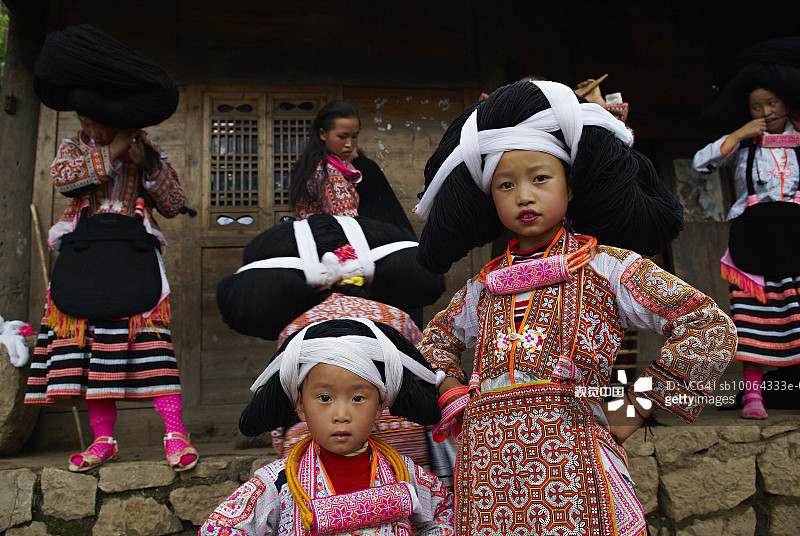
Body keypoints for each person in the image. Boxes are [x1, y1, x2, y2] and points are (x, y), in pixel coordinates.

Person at [413, 80, 737, 535]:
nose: (524, 195)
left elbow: (708, 326)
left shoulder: (610, 268)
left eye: (540, 177)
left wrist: (634, 409)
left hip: (577, 467)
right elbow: (433, 344)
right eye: (506, 184)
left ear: (570, 184)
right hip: (485, 481)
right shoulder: (480, 290)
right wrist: (452, 393)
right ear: (492, 198)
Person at [25, 24, 198, 472]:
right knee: (91, 348)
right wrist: (117, 145)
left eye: (97, 124)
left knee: (152, 346)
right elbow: (65, 181)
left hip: (134, 256)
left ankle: (175, 434)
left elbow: (175, 204)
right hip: (84, 256)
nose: (90, 130)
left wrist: (149, 162)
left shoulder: (149, 153)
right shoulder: (71, 150)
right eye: (85, 123)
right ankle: (104, 440)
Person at [216, 214, 453, 485]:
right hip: (406, 449)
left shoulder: (296, 328)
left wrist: (282, 439)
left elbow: (281, 395)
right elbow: (423, 376)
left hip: (319, 451)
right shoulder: (397, 318)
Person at [198, 318, 455, 535]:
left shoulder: (404, 475)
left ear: (379, 406)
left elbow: (445, 513)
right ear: (299, 405)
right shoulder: (279, 483)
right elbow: (219, 528)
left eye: (358, 398)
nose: (341, 415)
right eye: (324, 398)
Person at [692, 36, 800, 420]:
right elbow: (701, 163)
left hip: (795, 234)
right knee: (754, 314)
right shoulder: (741, 144)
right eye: (756, 106)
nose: (765, 112)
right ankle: (753, 396)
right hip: (753, 236)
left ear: (787, 101)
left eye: (771, 103)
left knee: (794, 311)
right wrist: (739, 133)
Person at [290, 100, 363, 219]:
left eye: (354, 136)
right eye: (342, 137)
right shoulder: (329, 172)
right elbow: (346, 221)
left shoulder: (314, 162)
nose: (349, 144)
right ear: (323, 134)